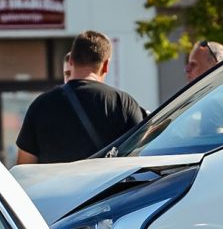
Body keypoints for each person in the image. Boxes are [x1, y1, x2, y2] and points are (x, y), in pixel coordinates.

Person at [16, 31, 144, 164]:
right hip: (107, 185)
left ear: (71, 60)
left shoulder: (41, 105)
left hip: (55, 185)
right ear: (106, 65)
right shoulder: (123, 103)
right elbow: (139, 158)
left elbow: (24, 166)